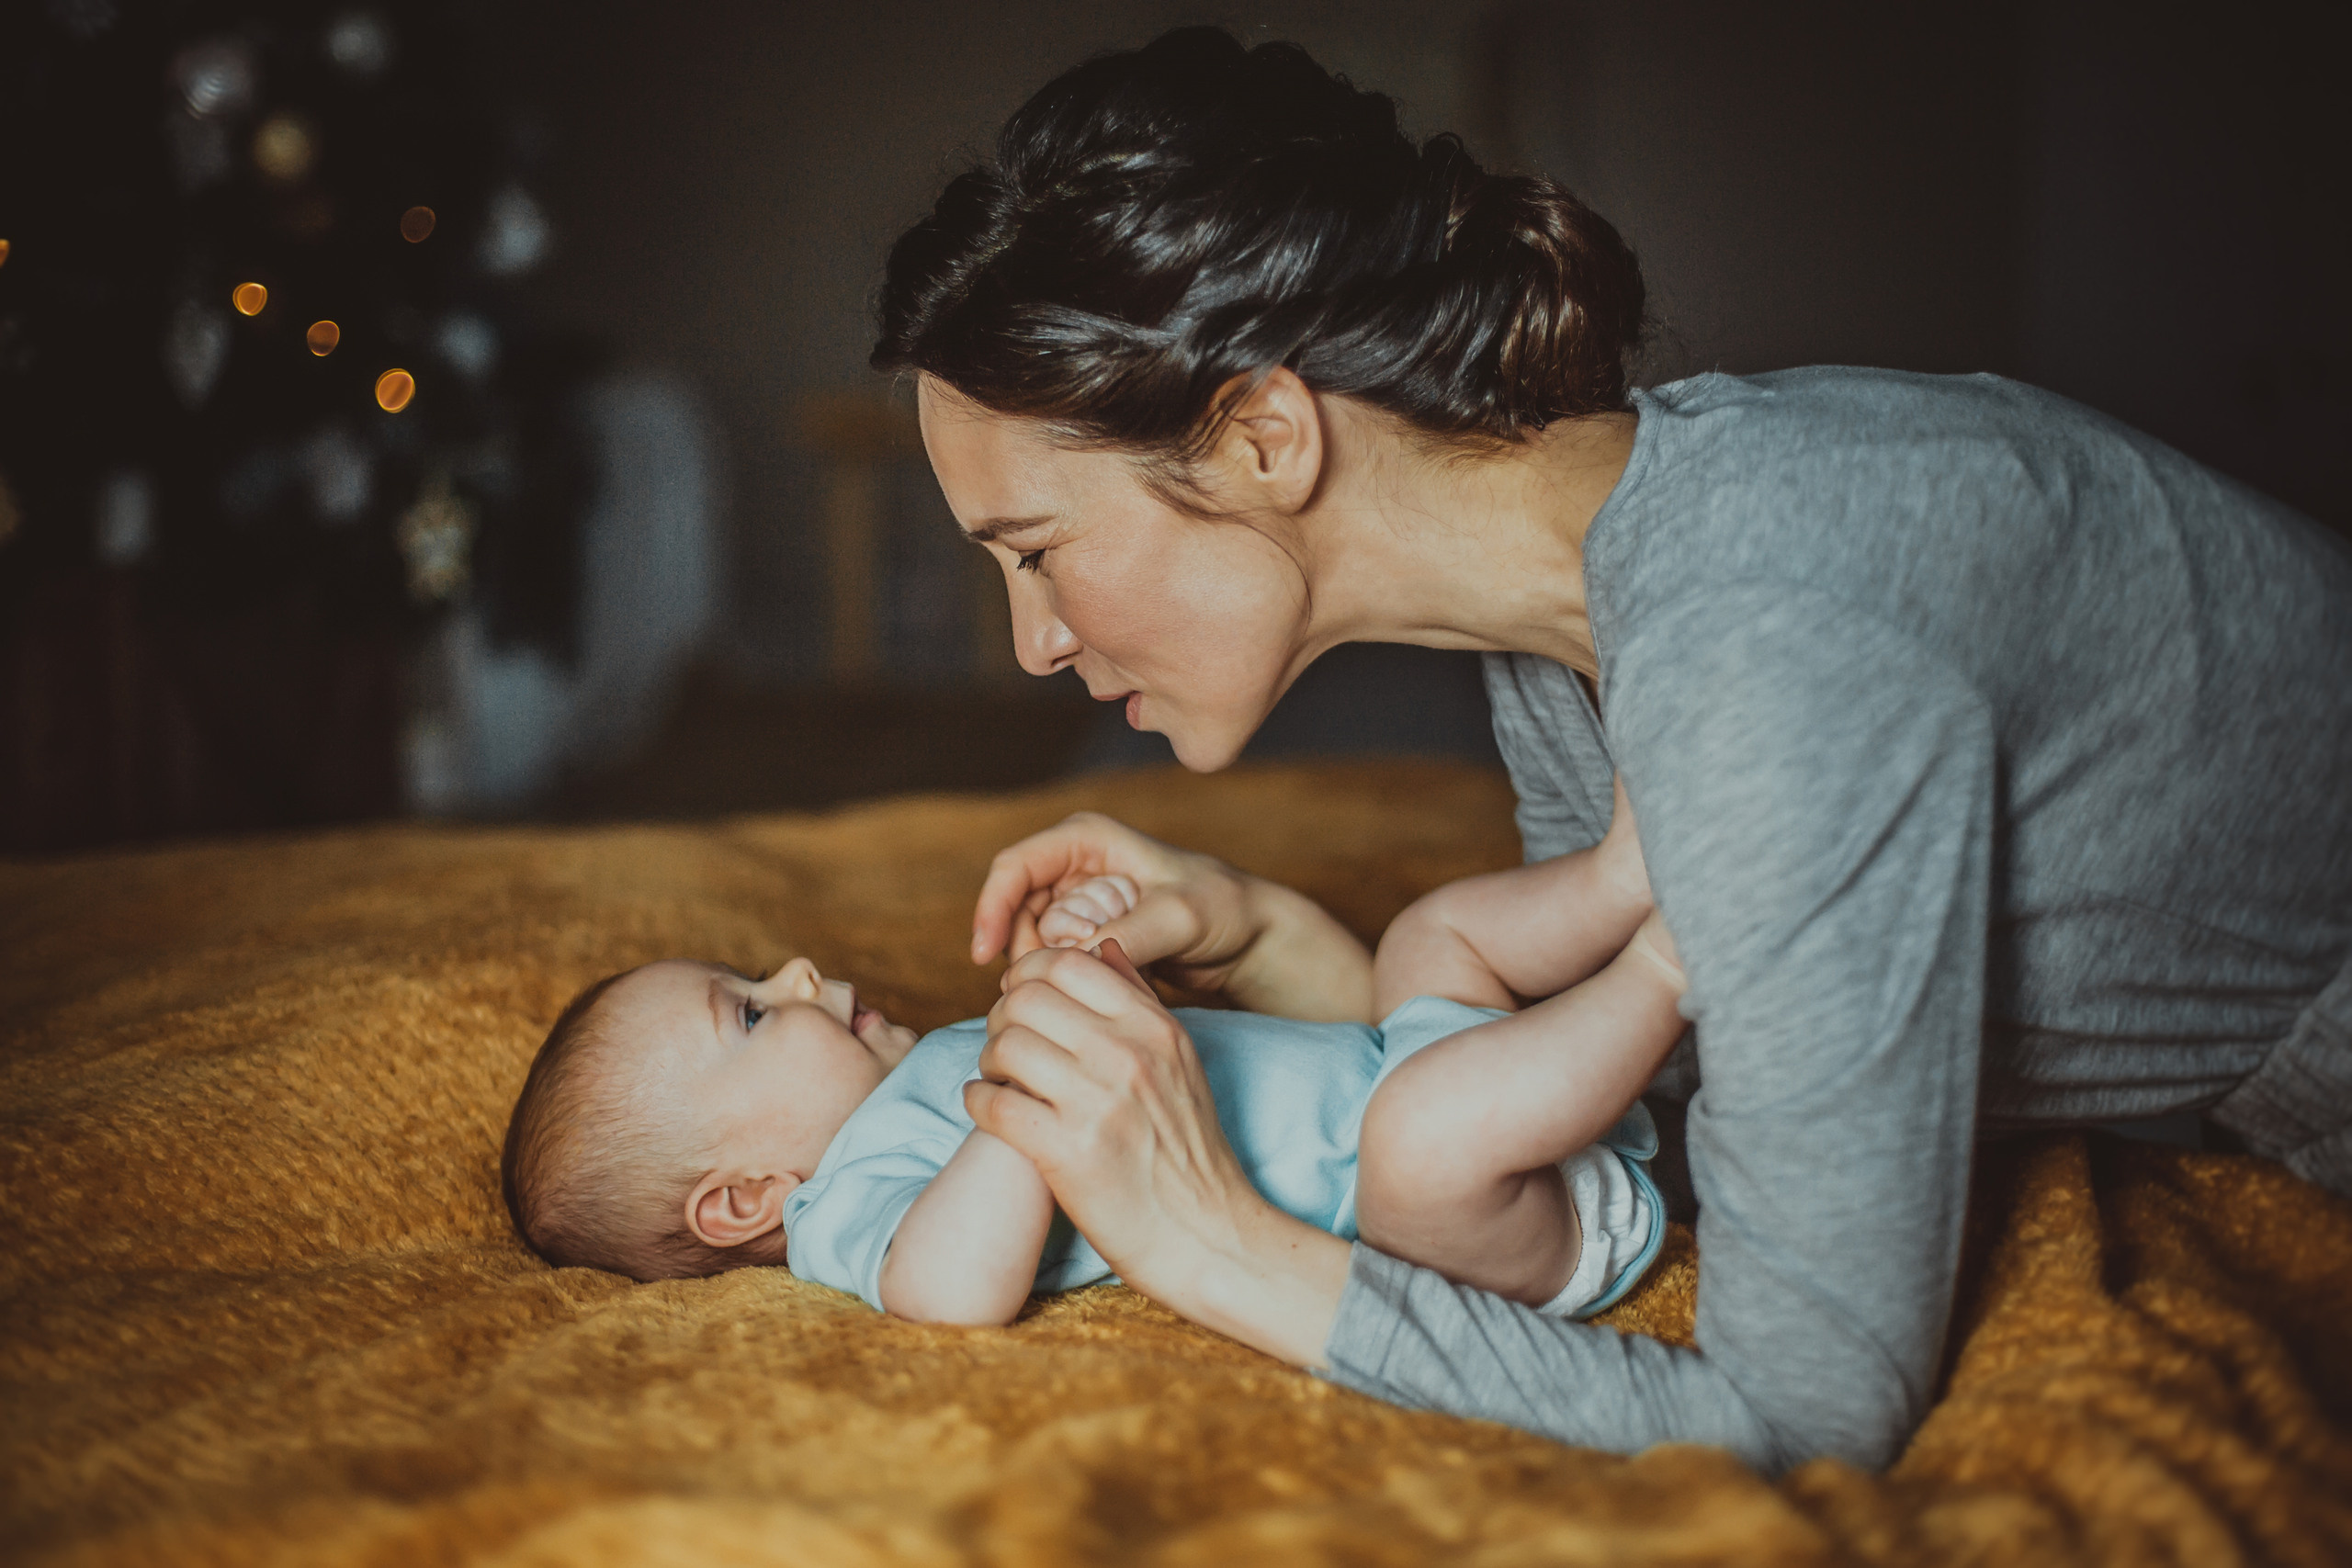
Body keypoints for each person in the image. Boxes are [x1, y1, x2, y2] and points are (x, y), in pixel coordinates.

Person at [868, 28, 2352, 1473]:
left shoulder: (1761, 649)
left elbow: (1805, 1414)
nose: (1033, 643)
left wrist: (1210, 1240)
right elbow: (1638, 1094)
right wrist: (1264, 939)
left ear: (1264, 437)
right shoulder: (1577, 602)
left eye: (1038, 551)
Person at [498, 805, 1690, 1323]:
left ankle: (1634, 870)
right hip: (1469, 1214)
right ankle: (1676, 966)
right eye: (752, 1014)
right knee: (1421, 1134)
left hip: (1409, 1057)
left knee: (1433, 935)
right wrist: (1027, 1088)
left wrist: (1103, 942)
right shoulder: (846, 1208)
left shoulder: (942, 1073)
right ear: (743, 1200)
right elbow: (946, 1293)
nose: (798, 972)